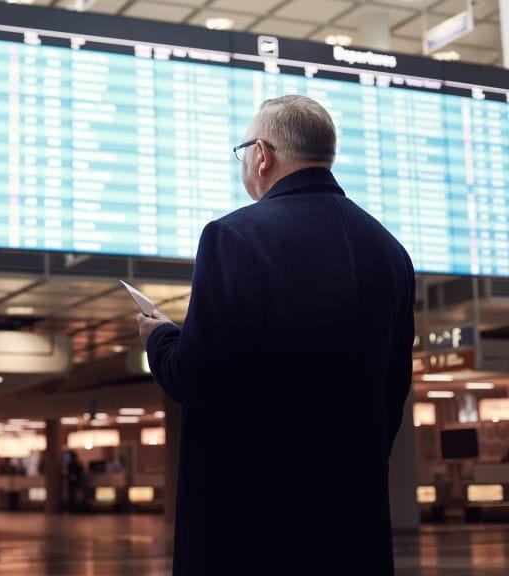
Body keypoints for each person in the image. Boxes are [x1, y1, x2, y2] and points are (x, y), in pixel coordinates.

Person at [136, 95, 415, 576]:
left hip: (250, 524)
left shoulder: (235, 236)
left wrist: (159, 337)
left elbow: (196, 376)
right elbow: (394, 390)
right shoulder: (390, 250)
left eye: (243, 149)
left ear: (262, 154)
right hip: (353, 519)